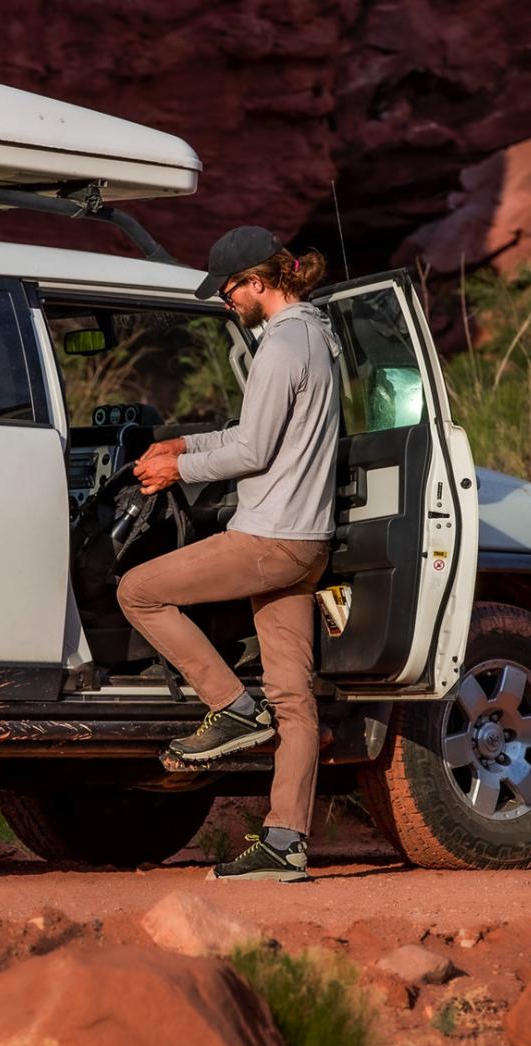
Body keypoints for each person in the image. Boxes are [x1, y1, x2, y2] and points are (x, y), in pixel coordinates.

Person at [116, 226, 340, 882]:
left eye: (228, 289)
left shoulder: (279, 347)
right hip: (307, 539)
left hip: (269, 539)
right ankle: (285, 843)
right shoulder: (315, 334)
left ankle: (232, 709)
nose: (225, 301)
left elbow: (253, 453)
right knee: (294, 697)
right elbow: (252, 431)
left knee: (138, 590)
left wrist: (174, 475)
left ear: (258, 281)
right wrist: (183, 444)